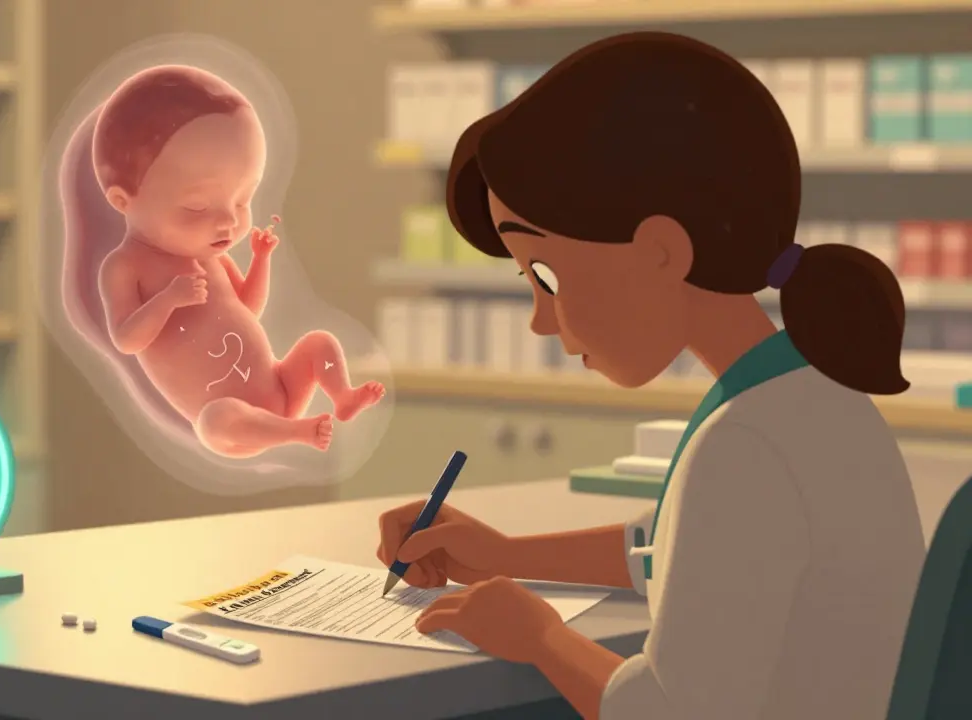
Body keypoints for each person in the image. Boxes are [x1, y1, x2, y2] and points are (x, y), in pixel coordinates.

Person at [376, 32, 925, 720]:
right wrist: (504, 553)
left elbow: (669, 711)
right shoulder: (802, 393)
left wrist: (540, 636)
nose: (540, 322)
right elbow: (674, 551)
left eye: (545, 276)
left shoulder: (747, 446)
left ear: (661, 251)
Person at [60, 65, 384, 459]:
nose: (230, 221)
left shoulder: (210, 257)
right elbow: (127, 339)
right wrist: (168, 299)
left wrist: (261, 260)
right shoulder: (125, 266)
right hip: (235, 425)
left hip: (280, 386)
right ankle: (294, 431)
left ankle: (343, 396)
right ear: (122, 201)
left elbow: (247, 307)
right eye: (198, 205)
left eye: (243, 200)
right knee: (213, 422)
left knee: (319, 343)